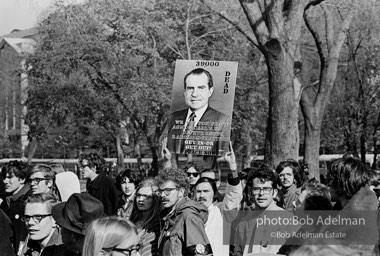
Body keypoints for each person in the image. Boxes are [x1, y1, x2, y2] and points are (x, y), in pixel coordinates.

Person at [234, 166, 299, 255]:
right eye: (256, 189)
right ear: (250, 192)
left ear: (274, 193)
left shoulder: (289, 221)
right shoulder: (243, 224)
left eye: (266, 189)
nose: (261, 194)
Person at [167, 68, 230, 156]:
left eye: (201, 88)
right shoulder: (172, 118)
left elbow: (222, 155)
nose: (194, 94)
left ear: (210, 92)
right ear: (185, 92)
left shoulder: (222, 120)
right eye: (190, 88)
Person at [194, 149, 242, 256]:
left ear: (214, 193)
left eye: (206, 191)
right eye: (199, 191)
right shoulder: (190, 212)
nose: (202, 196)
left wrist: (233, 166)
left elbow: (234, 195)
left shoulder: (221, 211)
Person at [155, 167, 212, 256]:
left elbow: (202, 255)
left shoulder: (188, 216)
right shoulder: (169, 215)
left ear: (181, 191)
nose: (162, 195)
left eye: (167, 191)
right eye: (160, 191)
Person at [1, 160, 31, 254]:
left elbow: (22, 237)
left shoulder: (27, 203)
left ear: (22, 179)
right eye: (4, 177)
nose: (5, 181)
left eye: (10, 177)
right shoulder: (6, 201)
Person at [129, 178, 160, 256]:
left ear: (155, 199)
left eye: (146, 196)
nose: (141, 199)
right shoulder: (134, 220)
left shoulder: (156, 225)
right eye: (139, 195)